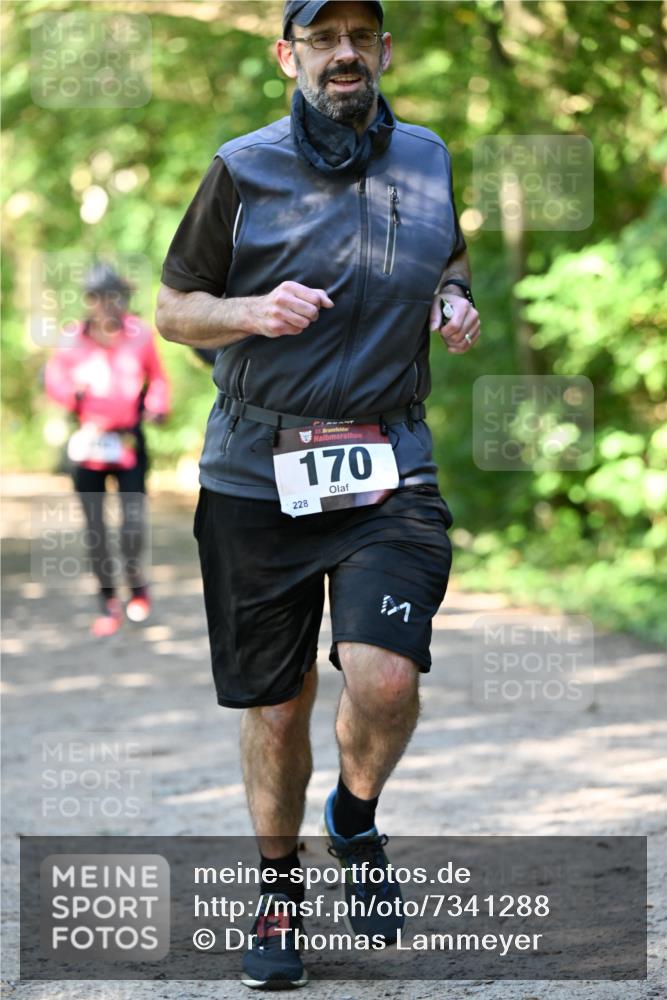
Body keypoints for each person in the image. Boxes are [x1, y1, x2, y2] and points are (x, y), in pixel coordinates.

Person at [157, 0, 480, 987]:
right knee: (279, 706)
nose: (344, 54)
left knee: (384, 677)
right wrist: (250, 309)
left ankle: (354, 811)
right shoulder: (240, 167)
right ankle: (279, 895)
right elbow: (174, 308)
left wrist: (453, 295)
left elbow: (449, 255)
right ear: (287, 53)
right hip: (259, 468)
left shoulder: (426, 156)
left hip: (390, 458)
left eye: (360, 36)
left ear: (382, 49)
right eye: (322, 37)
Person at [45, 262, 170, 637]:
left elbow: (158, 378)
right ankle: (108, 601)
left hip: (129, 439)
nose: (106, 305)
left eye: (113, 296)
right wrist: (72, 393)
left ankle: (137, 588)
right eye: (97, 297)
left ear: (123, 298)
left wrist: (157, 406)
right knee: (95, 526)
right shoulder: (72, 338)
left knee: (132, 521)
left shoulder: (139, 335)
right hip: (89, 443)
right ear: (89, 301)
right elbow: (54, 380)